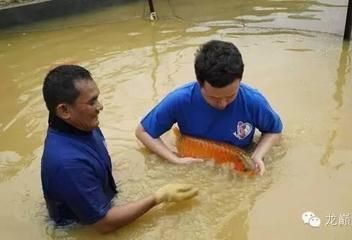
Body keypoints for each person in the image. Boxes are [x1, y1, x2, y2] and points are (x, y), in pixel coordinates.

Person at [41, 65, 198, 234]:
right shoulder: (68, 164)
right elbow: (104, 224)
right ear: (64, 110)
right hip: (78, 229)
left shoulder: (84, 125)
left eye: (97, 98)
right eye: (92, 102)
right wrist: (158, 197)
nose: (100, 106)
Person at [136, 40, 283, 175]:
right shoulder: (180, 100)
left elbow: (274, 131)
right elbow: (143, 132)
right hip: (196, 163)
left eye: (231, 96)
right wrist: (175, 159)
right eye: (214, 98)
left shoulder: (253, 101)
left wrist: (257, 155)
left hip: (239, 162)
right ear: (200, 84)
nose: (223, 104)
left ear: (240, 81)